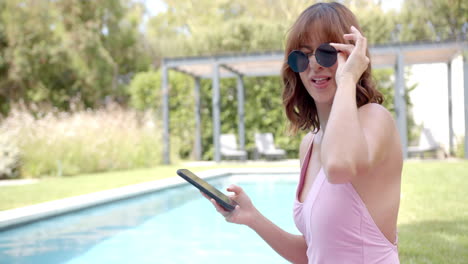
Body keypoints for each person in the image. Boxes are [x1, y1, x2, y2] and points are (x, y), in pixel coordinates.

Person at [203, 2, 402, 263]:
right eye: (302, 56)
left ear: (351, 55)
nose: (314, 65)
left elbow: (339, 167)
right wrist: (252, 218)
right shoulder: (309, 145)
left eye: (326, 53)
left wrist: (348, 79)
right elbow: (313, 252)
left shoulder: (376, 119)